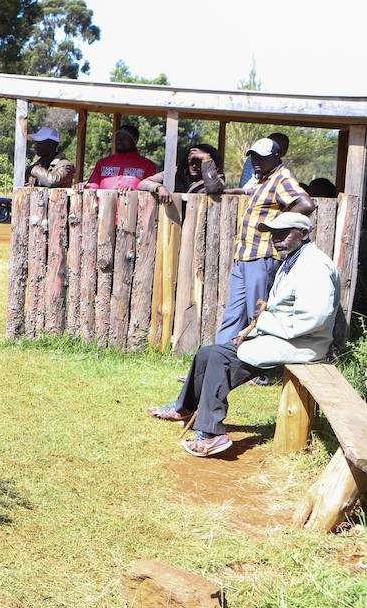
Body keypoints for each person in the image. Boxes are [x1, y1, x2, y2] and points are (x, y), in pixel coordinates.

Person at [147, 212, 337, 456]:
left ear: (303, 234)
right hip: (283, 338)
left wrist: (263, 328)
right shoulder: (293, 259)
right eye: (273, 234)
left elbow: (314, 318)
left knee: (220, 357)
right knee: (207, 353)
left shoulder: (314, 266)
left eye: (284, 233)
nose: (276, 238)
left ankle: (212, 434)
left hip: (303, 344)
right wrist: (254, 331)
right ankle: (186, 408)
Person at [217, 137, 315, 343]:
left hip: (263, 255)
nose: (256, 161)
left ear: (276, 156)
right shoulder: (264, 179)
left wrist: (278, 224)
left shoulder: (282, 177)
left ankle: (258, 373)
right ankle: (216, 367)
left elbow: (306, 203)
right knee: (232, 316)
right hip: (245, 256)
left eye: (262, 157)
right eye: (253, 156)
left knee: (258, 316)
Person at [136, 143, 225, 202]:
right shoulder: (175, 172)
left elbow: (213, 189)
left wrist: (206, 159)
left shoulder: (217, 178)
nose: (194, 166)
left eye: (199, 163)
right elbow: (143, 183)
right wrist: (159, 187)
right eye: (192, 162)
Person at [82, 123, 158, 190]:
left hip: (132, 205)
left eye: (125, 138)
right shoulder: (102, 163)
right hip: (104, 205)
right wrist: (84, 186)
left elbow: (150, 188)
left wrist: (133, 191)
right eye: (118, 138)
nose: (119, 141)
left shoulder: (148, 165)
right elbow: (93, 185)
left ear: (134, 141)